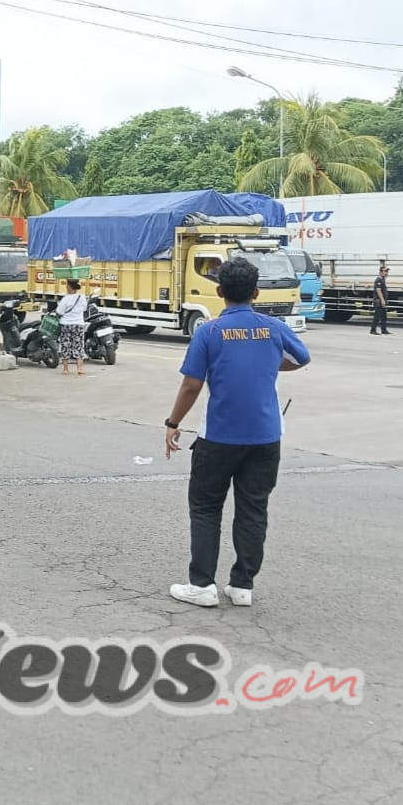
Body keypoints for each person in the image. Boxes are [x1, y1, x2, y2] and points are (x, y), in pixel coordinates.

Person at [163, 256, 310, 609]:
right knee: (253, 509)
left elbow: (191, 386)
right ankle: (242, 585)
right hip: (265, 438)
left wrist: (173, 423)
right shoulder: (272, 328)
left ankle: (202, 585)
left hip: (220, 439)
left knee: (206, 508)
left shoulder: (210, 331)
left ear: (219, 291)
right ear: (256, 292)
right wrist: (272, 362)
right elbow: (302, 357)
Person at [55, 278, 88, 376]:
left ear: (69, 286)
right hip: (78, 324)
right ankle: (80, 368)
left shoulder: (65, 299)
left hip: (66, 325)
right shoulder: (82, 297)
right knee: (79, 345)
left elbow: (59, 312)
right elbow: (85, 308)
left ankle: (65, 369)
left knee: (65, 345)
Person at [370, 263, 391, 335]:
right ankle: (373, 330)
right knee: (377, 316)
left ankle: (384, 330)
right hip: (378, 301)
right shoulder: (379, 279)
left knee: (383, 316)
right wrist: (382, 300)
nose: (386, 273)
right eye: (385, 271)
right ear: (380, 272)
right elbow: (378, 290)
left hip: (382, 300)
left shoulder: (383, 279)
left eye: (387, 271)